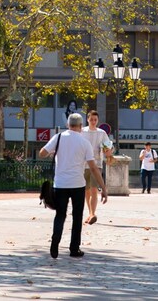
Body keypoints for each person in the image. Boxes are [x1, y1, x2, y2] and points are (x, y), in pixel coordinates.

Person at [39, 113, 107, 259]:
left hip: (61, 184)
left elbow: (42, 153)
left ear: (68, 125)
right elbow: (94, 168)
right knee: (77, 217)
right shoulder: (84, 143)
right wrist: (104, 188)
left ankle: (55, 242)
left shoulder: (57, 137)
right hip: (77, 184)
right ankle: (74, 249)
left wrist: (54, 152)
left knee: (60, 214)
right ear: (81, 126)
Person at [80, 110, 113, 224]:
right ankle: (90, 213)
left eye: (95, 120)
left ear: (97, 120)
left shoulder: (102, 133)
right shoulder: (81, 131)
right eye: (91, 119)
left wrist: (108, 152)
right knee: (87, 191)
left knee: (94, 189)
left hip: (97, 164)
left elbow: (108, 146)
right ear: (87, 119)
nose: (93, 122)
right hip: (83, 165)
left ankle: (93, 213)